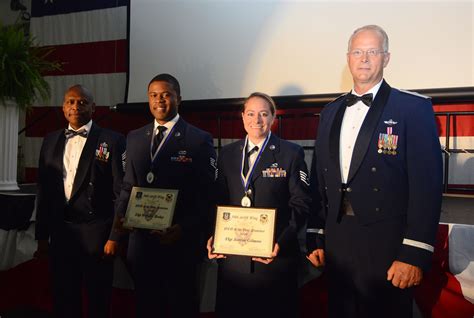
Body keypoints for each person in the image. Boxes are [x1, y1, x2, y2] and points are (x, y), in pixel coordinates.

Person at [306, 25, 443, 318]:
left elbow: (427, 187)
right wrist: (316, 233)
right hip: (339, 241)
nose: (364, 59)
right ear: (348, 58)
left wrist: (414, 254)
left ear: (387, 58)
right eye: (358, 52)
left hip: (388, 244)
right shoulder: (330, 111)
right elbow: (321, 177)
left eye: (372, 52)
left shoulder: (412, 108)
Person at [110, 73, 216, 318]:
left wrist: (184, 227)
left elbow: (206, 195)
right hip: (142, 244)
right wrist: (118, 226)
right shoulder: (135, 137)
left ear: (179, 99)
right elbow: (128, 187)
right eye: (153, 95)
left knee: (181, 305)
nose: (159, 100)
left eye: (166, 95)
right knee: (146, 306)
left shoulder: (199, 139)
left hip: (179, 242)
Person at [207, 92, 311, 318]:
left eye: (264, 114)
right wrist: (213, 234)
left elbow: (301, 203)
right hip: (234, 264)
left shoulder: (292, 153)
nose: (257, 120)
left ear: (273, 117)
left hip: (274, 261)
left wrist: (280, 242)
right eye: (251, 114)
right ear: (243, 117)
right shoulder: (227, 154)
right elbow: (217, 199)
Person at [35, 84, 126, 318]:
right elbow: (44, 191)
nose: (76, 106)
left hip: (97, 233)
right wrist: (42, 237)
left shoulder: (112, 140)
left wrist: (115, 236)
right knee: (64, 297)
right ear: (63, 107)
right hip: (61, 231)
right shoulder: (49, 140)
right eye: (70, 102)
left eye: (82, 102)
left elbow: (121, 193)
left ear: (93, 107)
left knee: (98, 298)